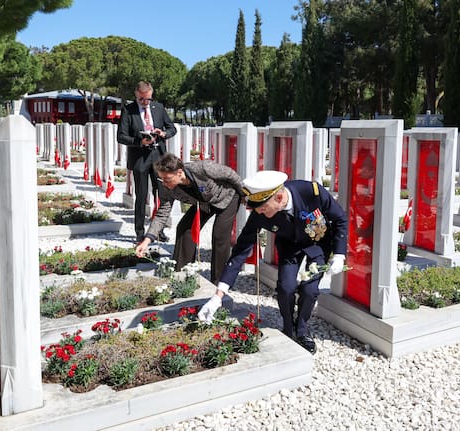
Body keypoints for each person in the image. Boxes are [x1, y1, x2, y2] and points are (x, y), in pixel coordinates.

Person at [198, 170, 348, 354]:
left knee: (310, 290)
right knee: (285, 288)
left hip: (318, 242)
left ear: (278, 197)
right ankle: (288, 327)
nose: (259, 212)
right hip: (289, 246)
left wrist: (340, 254)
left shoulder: (311, 192)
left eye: (262, 207)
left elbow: (340, 218)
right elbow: (240, 252)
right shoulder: (260, 214)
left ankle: (301, 331)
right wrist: (218, 296)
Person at [135, 153, 244, 284]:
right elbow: (162, 213)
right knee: (184, 229)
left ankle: (219, 284)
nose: (164, 183)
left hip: (227, 197)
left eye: (167, 179)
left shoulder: (203, 168)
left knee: (219, 236)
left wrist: (244, 194)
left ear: (179, 173)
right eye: (161, 179)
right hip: (203, 203)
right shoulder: (167, 187)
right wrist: (147, 241)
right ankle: (181, 275)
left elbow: (231, 175)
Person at [117, 81, 177, 243]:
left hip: (159, 157)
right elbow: (121, 136)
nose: (145, 103)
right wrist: (139, 141)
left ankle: (159, 230)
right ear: (136, 95)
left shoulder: (159, 108)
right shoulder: (128, 110)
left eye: (148, 99)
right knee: (141, 196)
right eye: (141, 100)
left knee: (162, 195)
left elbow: (172, 128)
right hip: (139, 158)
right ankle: (139, 232)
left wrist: (163, 133)